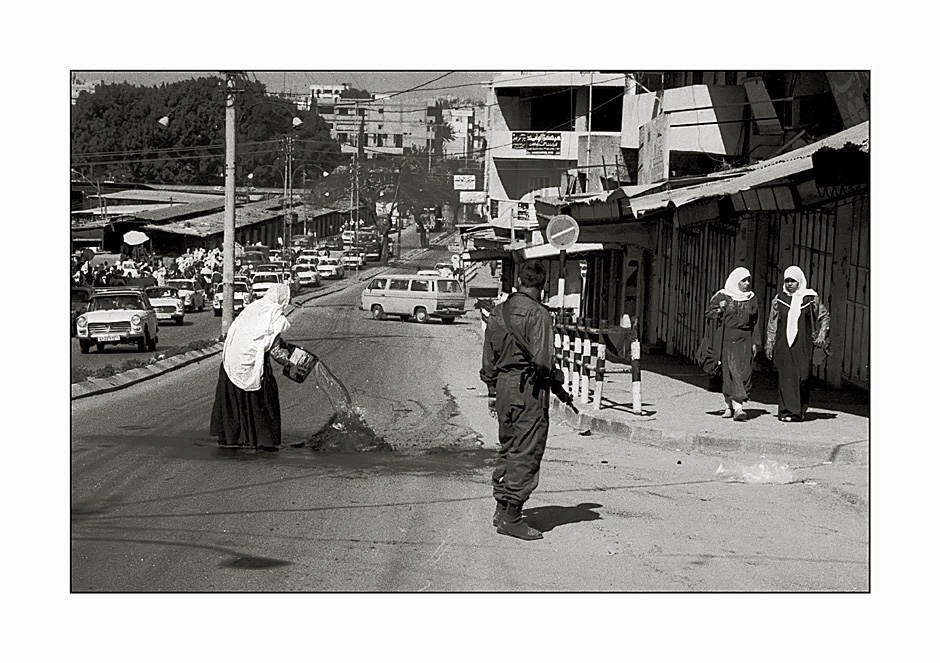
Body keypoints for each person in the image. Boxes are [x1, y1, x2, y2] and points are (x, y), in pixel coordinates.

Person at [480, 261, 554, 541]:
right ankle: (512, 517)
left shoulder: (499, 312)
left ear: (519, 281)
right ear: (542, 285)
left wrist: (491, 388)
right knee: (527, 450)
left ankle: (501, 507)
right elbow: (543, 362)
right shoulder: (539, 315)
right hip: (528, 389)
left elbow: (488, 356)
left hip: (503, 388)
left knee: (508, 447)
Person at [210, 284, 299, 451]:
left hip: (232, 360)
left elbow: (263, 337)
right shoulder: (273, 314)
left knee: (237, 401)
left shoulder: (254, 307)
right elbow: (274, 349)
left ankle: (235, 437)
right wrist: (291, 363)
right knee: (264, 396)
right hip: (249, 362)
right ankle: (264, 438)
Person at [765, 266, 830, 422]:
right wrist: (770, 342)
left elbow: (824, 316)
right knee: (785, 377)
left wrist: (821, 335)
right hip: (783, 344)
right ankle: (786, 412)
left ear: (799, 281)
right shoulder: (779, 298)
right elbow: (772, 322)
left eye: (793, 281)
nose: (789, 284)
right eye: (787, 281)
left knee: (802, 376)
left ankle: (799, 410)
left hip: (803, 344)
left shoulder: (810, 298)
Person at [705, 267, 761, 421]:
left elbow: (755, 321)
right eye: (743, 280)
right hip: (727, 339)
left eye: (748, 280)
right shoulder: (723, 295)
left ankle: (729, 406)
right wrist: (720, 308)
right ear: (736, 280)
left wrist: (755, 342)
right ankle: (738, 408)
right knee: (731, 372)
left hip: (745, 339)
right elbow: (709, 313)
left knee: (744, 373)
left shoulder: (751, 298)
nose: (747, 283)